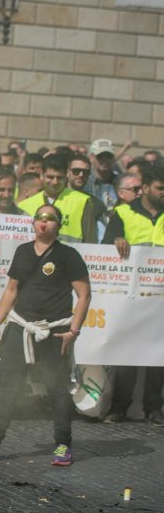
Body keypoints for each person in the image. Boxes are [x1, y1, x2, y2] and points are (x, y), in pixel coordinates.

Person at [0, 204, 90, 466]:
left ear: (58, 225)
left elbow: (84, 295)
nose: (45, 223)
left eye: (51, 219)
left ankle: (63, 445)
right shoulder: (23, 251)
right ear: (33, 223)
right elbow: (11, 290)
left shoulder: (69, 255)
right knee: (7, 386)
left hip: (54, 330)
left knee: (57, 388)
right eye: (40, 218)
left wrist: (73, 331)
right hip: (21, 327)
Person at [100, 166, 164, 426]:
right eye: (161, 188)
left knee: (158, 355)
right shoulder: (123, 213)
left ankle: (154, 408)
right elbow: (105, 248)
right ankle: (119, 407)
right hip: (131, 296)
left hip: (160, 298)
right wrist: (116, 239)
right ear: (146, 188)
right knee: (127, 353)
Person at [18, 155, 96, 243]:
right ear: (41, 175)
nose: (55, 182)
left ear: (66, 175)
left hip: (70, 256)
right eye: (50, 177)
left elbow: (91, 242)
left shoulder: (82, 202)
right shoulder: (25, 205)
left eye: (59, 178)